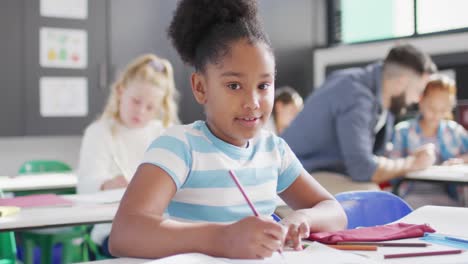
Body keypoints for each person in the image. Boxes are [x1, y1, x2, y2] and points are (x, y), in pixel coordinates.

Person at [109, 0, 346, 260]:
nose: (253, 102)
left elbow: (334, 211)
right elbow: (125, 233)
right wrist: (223, 238)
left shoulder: (274, 150)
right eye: (234, 85)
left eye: (264, 86)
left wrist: (302, 217)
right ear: (200, 87)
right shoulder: (180, 146)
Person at [282, 44, 438, 194]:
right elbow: (363, 168)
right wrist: (413, 163)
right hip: (294, 175)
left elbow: (371, 156)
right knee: (372, 197)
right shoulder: (355, 95)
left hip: (320, 173)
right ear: (401, 81)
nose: (418, 99)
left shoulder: (382, 101)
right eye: (419, 90)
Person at [77, 54, 179, 255]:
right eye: (136, 101)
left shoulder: (164, 132)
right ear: (120, 92)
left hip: (160, 224)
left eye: (150, 107)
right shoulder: (99, 132)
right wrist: (107, 183)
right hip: (113, 228)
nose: (141, 112)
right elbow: (84, 187)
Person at [390, 74, 468, 207]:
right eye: (432, 108)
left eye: (443, 110)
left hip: (451, 197)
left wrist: (461, 160)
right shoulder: (402, 131)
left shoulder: (455, 131)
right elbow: (391, 170)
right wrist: (413, 161)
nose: (437, 115)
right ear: (420, 100)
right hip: (410, 195)